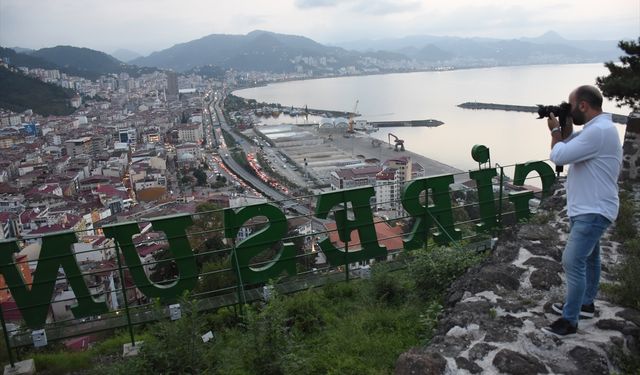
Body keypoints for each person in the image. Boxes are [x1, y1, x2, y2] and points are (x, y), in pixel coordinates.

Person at [541, 85, 622, 337]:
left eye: (571, 105)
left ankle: (569, 320)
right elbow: (569, 143)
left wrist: (555, 131)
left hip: (593, 210)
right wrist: (564, 128)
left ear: (583, 106)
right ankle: (585, 304)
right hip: (589, 208)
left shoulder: (598, 132)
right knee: (590, 258)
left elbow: (559, 155)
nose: (570, 109)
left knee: (572, 260)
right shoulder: (597, 130)